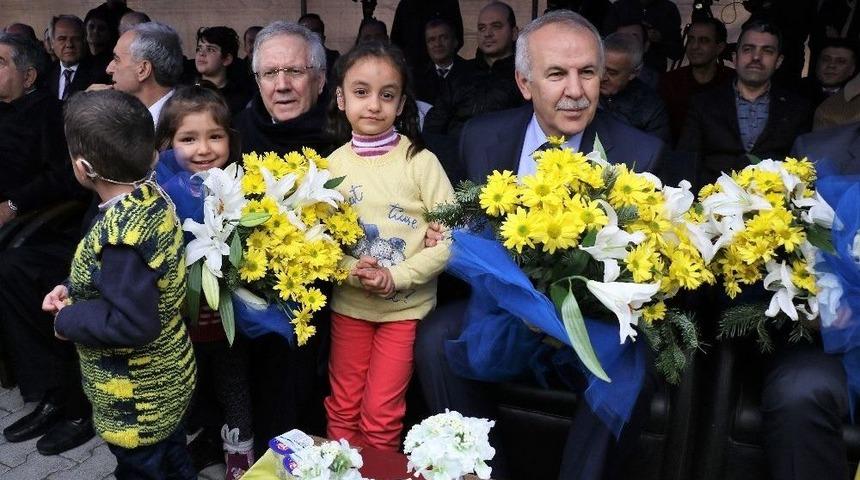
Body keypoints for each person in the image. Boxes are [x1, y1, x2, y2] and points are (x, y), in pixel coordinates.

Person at [416, 10, 664, 480]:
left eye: (587, 72)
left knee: (631, 361)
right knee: (434, 339)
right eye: (557, 74)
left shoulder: (638, 152)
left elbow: (646, 267)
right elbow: (470, 227)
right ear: (525, 82)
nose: (576, 90)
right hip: (501, 316)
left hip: (592, 325)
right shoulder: (483, 137)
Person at [46, 89, 195, 479]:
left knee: (144, 470)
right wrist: (71, 288)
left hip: (139, 401)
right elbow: (118, 279)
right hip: (169, 382)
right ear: (151, 155)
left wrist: (67, 321)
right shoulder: (151, 198)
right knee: (174, 460)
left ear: (82, 167)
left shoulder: (120, 237)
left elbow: (130, 322)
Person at [325, 41, 453, 452]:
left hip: (405, 313)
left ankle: (378, 470)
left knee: (381, 414)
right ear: (341, 99)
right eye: (361, 92)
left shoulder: (421, 162)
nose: (374, 105)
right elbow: (313, 242)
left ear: (401, 105)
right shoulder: (329, 168)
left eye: (387, 95)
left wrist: (394, 276)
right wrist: (351, 269)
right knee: (343, 408)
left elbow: (452, 240)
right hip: (350, 308)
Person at [233, 20, 336, 450]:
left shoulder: (344, 133)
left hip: (330, 290)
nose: (282, 85)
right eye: (270, 74)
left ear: (320, 77)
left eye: (294, 72)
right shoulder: (237, 131)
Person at [154, 85, 254, 480]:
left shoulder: (244, 185)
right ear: (167, 143)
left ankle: (239, 460)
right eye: (188, 139)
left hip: (230, 322)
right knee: (184, 394)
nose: (204, 149)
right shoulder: (159, 191)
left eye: (215, 136)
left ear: (231, 138)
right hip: (179, 324)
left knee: (234, 387)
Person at [0, 32, 91, 456]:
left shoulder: (49, 114)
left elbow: (65, 179)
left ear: (30, 75)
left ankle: (62, 393)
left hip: (48, 226)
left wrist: (15, 205)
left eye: (1, 63)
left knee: (14, 269)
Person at [677, 20, 812, 190]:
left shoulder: (797, 108)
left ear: (778, 61)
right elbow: (685, 163)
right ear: (734, 57)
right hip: (711, 205)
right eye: (748, 49)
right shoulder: (703, 103)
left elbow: (803, 169)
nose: (756, 57)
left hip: (774, 208)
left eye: (767, 51)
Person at [423, 1, 524, 137]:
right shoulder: (460, 73)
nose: (487, 34)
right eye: (482, 28)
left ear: (514, 33)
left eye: (496, 26)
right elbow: (433, 127)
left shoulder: (525, 77)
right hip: (452, 154)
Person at [658, 17, 734, 143]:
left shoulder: (733, 83)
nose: (694, 46)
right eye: (691, 39)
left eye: (703, 41)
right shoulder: (669, 83)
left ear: (719, 48)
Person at [96, 21, 183, 127]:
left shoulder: (185, 120)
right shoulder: (120, 115)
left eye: (116, 59)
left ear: (143, 70)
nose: (108, 69)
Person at [598, 32, 670, 142]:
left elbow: (653, 153)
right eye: (600, 68)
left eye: (612, 73)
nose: (602, 77)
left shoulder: (651, 109)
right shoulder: (581, 88)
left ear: (634, 73)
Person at [604, 0, 683, 73]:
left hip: (652, 69)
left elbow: (676, 52)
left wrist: (660, 38)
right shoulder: (619, 7)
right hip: (619, 66)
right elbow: (606, 41)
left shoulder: (668, 9)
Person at [390, 0, 464, 70]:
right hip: (414, 69)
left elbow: (458, 37)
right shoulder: (405, 5)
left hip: (445, 70)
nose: (436, 44)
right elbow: (395, 42)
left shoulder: (448, 3)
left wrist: (442, 61)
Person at [47, 15, 108, 100]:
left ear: (84, 40)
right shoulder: (45, 73)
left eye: (76, 39)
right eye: (62, 39)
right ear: (52, 43)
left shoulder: (102, 72)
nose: (69, 45)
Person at [413, 18, 471, 106]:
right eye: (431, 40)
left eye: (443, 38)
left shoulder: (472, 73)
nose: (437, 44)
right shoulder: (416, 78)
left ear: (455, 42)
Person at [194, 26, 251, 115]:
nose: (201, 53)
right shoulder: (187, 92)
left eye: (210, 49)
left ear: (227, 59)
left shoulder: (240, 99)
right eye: (199, 48)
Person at [799, 38, 858, 107]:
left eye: (841, 61)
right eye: (826, 59)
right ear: (817, 63)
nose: (831, 65)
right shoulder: (793, 91)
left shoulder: (856, 98)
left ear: (852, 69)